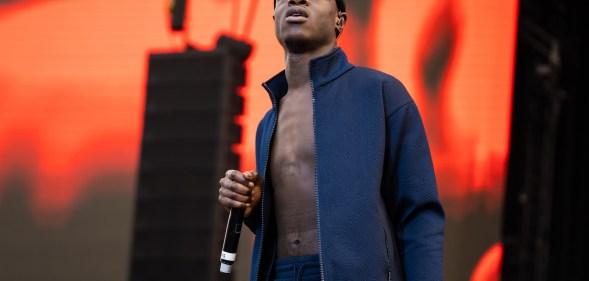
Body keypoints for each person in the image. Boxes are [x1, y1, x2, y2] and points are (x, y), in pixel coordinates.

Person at [218, 0, 445, 280]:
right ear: (274, 16)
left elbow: (419, 214)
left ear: (340, 19)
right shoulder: (267, 122)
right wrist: (255, 209)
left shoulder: (382, 93)